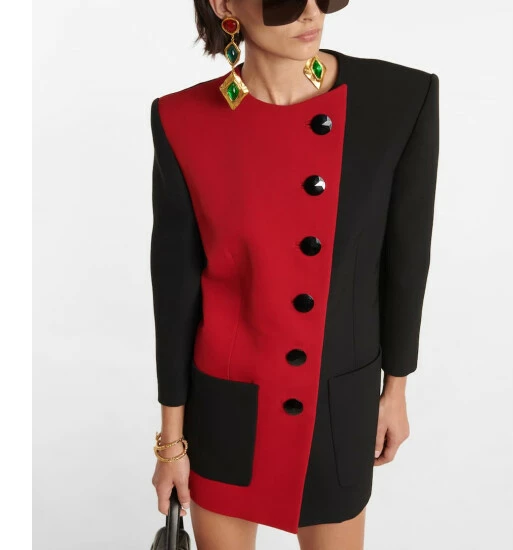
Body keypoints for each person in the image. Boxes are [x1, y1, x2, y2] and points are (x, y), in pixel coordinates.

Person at [149, 1, 440, 548]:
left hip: (338, 402)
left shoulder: (399, 99)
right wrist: (171, 443)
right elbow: (175, 292)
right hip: (226, 408)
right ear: (225, 5)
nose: (310, 12)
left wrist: (396, 389)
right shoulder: (182, 119)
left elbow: (406, 260)